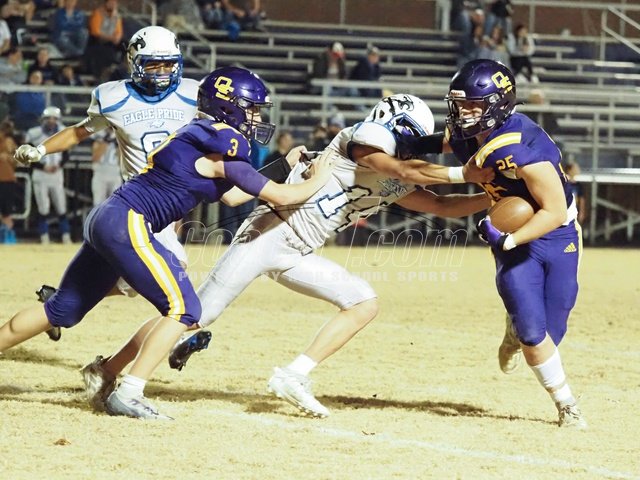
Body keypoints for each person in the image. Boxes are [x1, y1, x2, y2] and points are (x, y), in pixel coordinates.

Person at [80, 93, 494, 418]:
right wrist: (467, 172)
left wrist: (492, 197)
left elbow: (441, 205)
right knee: (193, 314)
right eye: (408, 135)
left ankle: (294, 375)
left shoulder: (395, 170)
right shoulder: (361, 143)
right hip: (268, 232)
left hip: (297, 250)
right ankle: (110, 371)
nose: (411, 145)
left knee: (363, 302)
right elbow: (404, 170)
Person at [1, 65, 335, 420]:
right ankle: (129, 392)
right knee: (185, 310)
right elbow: (281, 197)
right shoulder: (226, 140)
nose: (257, 118)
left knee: (61, 310)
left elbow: (234, 196)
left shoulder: (202, 134)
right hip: (129, 222)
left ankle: (107, 376)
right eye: (251, 108)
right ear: (229, 106)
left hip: (109, 216)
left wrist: (283, 165)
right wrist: (321, 178)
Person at [403, 59, 586, 428]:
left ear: (499, 104)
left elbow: (552, 212)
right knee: (534, 335)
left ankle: (514, 331)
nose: (464, 113)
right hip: (512, 238)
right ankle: (567, 404)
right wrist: (398, 147)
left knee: (553, 332)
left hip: (556, 232)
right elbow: (438, 142)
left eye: (474, 105)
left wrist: (508, 238)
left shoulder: (522, 146)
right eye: (460, 105)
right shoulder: (467, 133)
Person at [13, 26, 199, 340]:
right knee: (174, 270)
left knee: (128, 281)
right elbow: (79, 131)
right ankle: (179, 338)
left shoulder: (194, 94)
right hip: (139, 204)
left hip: (163, 206)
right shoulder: (114, 97)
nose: (162, 72)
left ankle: (61, 302)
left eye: (168, 64)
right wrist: (41, 149)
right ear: (134, 62)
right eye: (153, 64)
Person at [24, 106, 71, 244]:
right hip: (40, 174)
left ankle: (66, 235)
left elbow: (66, 154)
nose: (51, 121)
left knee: (61, 206)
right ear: (43, 119)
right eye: (48, 118)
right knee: (43, 207)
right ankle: (44, 236)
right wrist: (42, 166)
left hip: (56, 174)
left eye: (54, 118)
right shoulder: (34, 133)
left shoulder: (63, 132)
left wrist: (59, 165)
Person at [84, 0, 123, 80]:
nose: (112, 5)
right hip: (98, 40)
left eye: (114, 3)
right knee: (105, 50)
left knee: (126, 45)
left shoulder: (117, 16)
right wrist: (110, 38)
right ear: (106, 3)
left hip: (112, 40)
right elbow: (95, 31)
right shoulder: (98, 13)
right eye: (110, 3)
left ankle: (122, 69)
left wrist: (117, 38)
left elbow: (119, 31)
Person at [91, 128, 121, 205]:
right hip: (100, 173)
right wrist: (106, 141)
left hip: (115, 173)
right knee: (98, 204)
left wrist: (118, 145)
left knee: (115, 204)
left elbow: (122, 160)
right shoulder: (100, 134)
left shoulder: (120, 134)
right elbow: (95, 158)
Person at [0, 119, 18, 243]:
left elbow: (18, 160)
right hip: (6, 178)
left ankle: (7, 235)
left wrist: (9, 157)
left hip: (7, 178)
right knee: (6, 211)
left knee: (6, 210)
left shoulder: (10, 141)